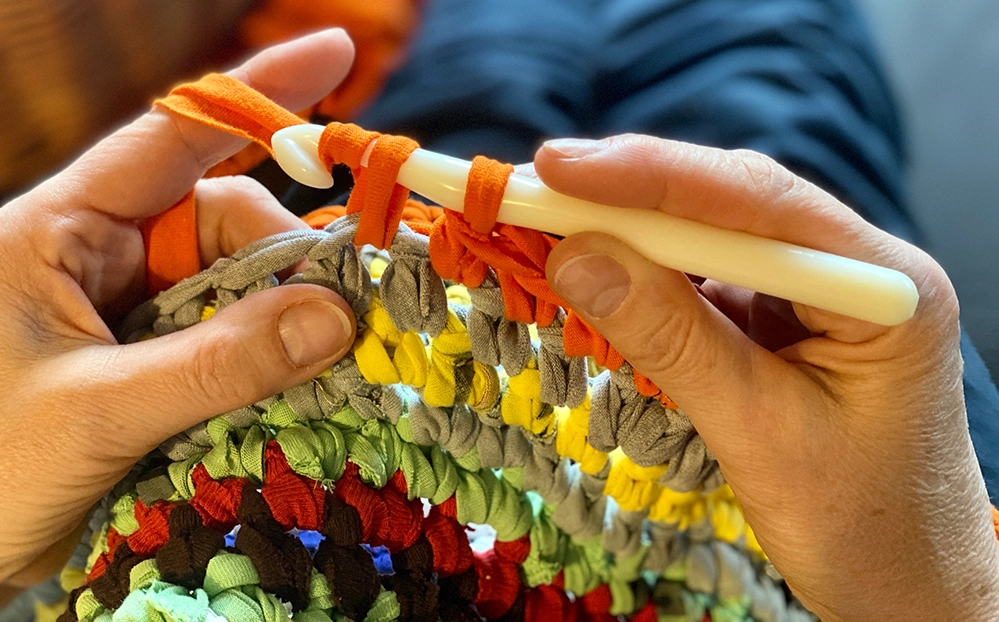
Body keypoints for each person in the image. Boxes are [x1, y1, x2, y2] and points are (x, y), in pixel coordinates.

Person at [0, 28, 997, 621]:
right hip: (803, 461)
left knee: (493, 65)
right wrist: (945, 600)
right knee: (773, 77)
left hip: (450, 255)